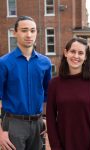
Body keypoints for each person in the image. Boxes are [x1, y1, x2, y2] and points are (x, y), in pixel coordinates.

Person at [0, 16, 52, 150]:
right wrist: (0, 132)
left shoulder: (45, 63)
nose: (29, 34)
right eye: (24, 30)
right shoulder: (4, 63)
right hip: (13, 124)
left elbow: (48, 95)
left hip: (38, 124)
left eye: (32, 30)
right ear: (14, 32)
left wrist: (46, 119)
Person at [46, 37, 90, 150]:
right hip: (63, 145)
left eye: (81, 53)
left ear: (86, 57)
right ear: (66, 53)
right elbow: (51, 120)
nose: (76, 56)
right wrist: (56, 147)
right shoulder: (54, 84)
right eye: (73, 51)